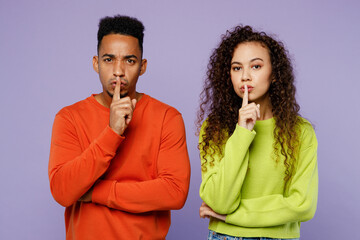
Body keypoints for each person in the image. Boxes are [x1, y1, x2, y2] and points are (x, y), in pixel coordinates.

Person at [48, 15, 191, 240]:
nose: (118, 71)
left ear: (142, 66)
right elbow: (62, 191)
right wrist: (112, 133)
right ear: (96, 63)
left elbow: (175, 193)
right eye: (109, 59)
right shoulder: (69, 118)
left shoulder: (167, 117)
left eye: (129, 60)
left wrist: (96, 192)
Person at [197, 25, 318, 240]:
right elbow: (219, 201)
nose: (245, 76)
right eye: (236, 68)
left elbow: (303, 205)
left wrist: (233, 217)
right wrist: (242, 132)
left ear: (274, 74)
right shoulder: (214, 128)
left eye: (256, 66)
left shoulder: (301, 132)